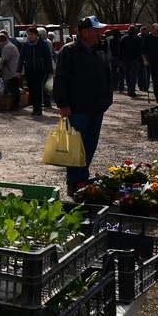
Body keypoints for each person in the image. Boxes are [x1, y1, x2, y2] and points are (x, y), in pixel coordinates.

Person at [52, 16, 113, 196]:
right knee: (76, 147)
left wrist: (107, 100)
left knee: (90, 145)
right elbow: (60, 79)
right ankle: (74, 181)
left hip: (96, 108)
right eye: (96, 31)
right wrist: (63, 104)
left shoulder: (99, 51)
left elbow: (107, 77)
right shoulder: (68, 51)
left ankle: (82, 177)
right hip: (77, 109)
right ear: (85, 32)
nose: (99, 34)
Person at [16, 27, 53, 116]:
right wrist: (19, 70)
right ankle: (34, 108)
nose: (30, 36)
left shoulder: (43, 44)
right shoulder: (26, 45)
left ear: (36, 35)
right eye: (28, 34)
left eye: (32, 34)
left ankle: (38, 108)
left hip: (40, 70)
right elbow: (21, 58)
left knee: (37, 88)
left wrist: (50, 71)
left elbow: (48, 58)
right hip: (29, 70)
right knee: (31, 89)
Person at [0, 32, 21, 110]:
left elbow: (4, 60)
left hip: (12, 71)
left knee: (14, 88)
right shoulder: (9, 45)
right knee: (15, 88)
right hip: (14, 69)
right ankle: (15, 104)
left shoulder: (7, 47)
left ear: (1, 40)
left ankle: (15, 105)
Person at [118, 25, 141, 97]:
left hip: (126, 59)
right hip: (135, 59)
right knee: (134, 75)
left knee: (127, 75)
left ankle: (129, 89)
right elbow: (141, 49)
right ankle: (132, 90)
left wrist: (120, 59)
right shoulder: (138, 38)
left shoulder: (124, 38)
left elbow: (120, 50)